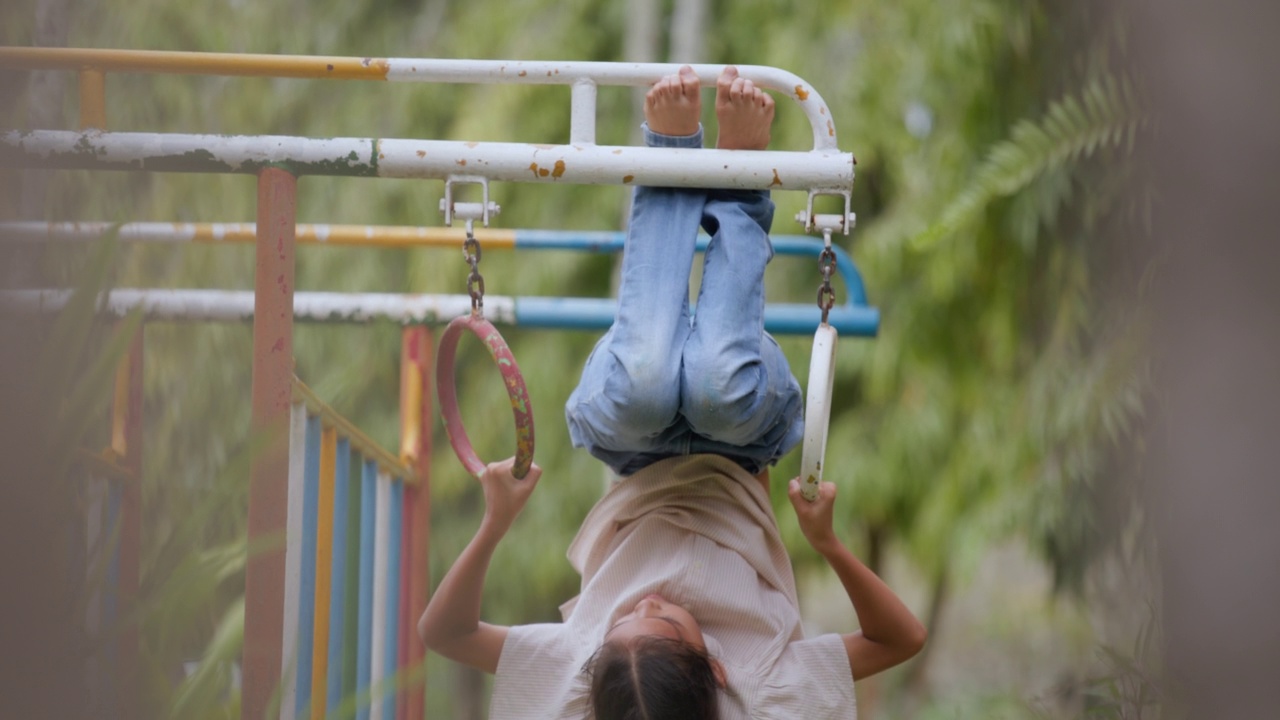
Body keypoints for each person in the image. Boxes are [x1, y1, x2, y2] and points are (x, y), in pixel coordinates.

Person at [419, 66, 926, 719]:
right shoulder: (766, 685)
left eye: (621, 625)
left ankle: (670, 152)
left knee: (647, 385)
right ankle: (741, 171)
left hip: (632, 453)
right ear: (716, 667)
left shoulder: (577, 667)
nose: (645, 604)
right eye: (664, 622)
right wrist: (826, 542)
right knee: (717, 385)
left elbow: (444, 634)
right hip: (741, 449)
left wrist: (496, 522)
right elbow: (901, 638)